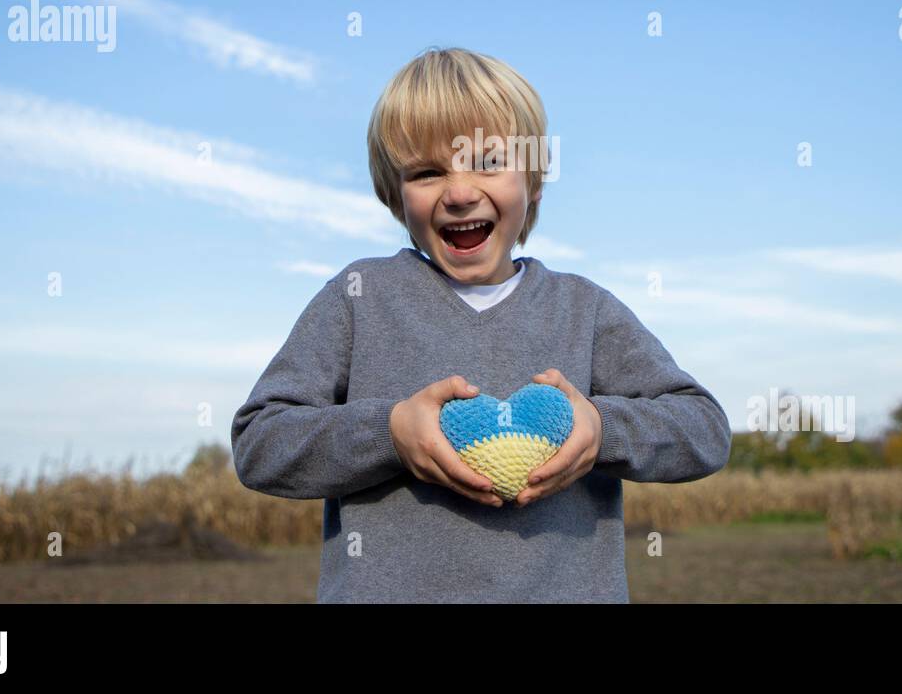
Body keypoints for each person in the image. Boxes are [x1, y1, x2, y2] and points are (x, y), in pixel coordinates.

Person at [230, 47, 731, 602]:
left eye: (489, 163)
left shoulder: (584, 309)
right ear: (394, 195)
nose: (461, 192)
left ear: (533, 181)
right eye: (426, 172)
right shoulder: (358, 297)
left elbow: (702, 428)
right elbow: (259, 442)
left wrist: (599, 429)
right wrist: (389, 433)